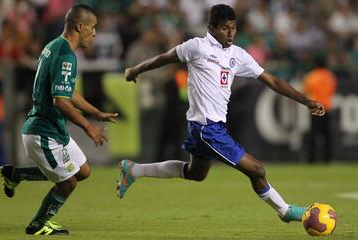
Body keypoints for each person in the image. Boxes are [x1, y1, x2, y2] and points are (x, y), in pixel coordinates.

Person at [118, 4, 325, 225]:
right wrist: (135, 69)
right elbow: (164, 57)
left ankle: (134, 170)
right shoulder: (196, 47)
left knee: (195, 173)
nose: (231, 33)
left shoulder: (237, 55)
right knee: (257, 170)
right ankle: (285, 211)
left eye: (234, 28)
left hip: (212, 127)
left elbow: (272, 81)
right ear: (211, 28)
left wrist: (305, 100)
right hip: (206, 128)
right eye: (225, 28)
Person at [0, 4, 118, 235]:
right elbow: (60, 101)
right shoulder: (66, 56)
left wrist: (95, 112)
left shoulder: (54, 46)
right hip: (43, 133)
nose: (94, 33)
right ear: (79, 26)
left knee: (82, 171)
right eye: (93, 28)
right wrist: (88, 127)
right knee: (68, 183)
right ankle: (38, 224)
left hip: (53, 130)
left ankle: (15, 174)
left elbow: (67, 91)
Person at [303, 57, 337, 163]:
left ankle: (311, 159)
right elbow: (332, 91)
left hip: (315, 109)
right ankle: (327, 159)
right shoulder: (330, 76)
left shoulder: (311, 76)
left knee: (313, 135)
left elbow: (306, 91)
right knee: (327, 135)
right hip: (327, 108)